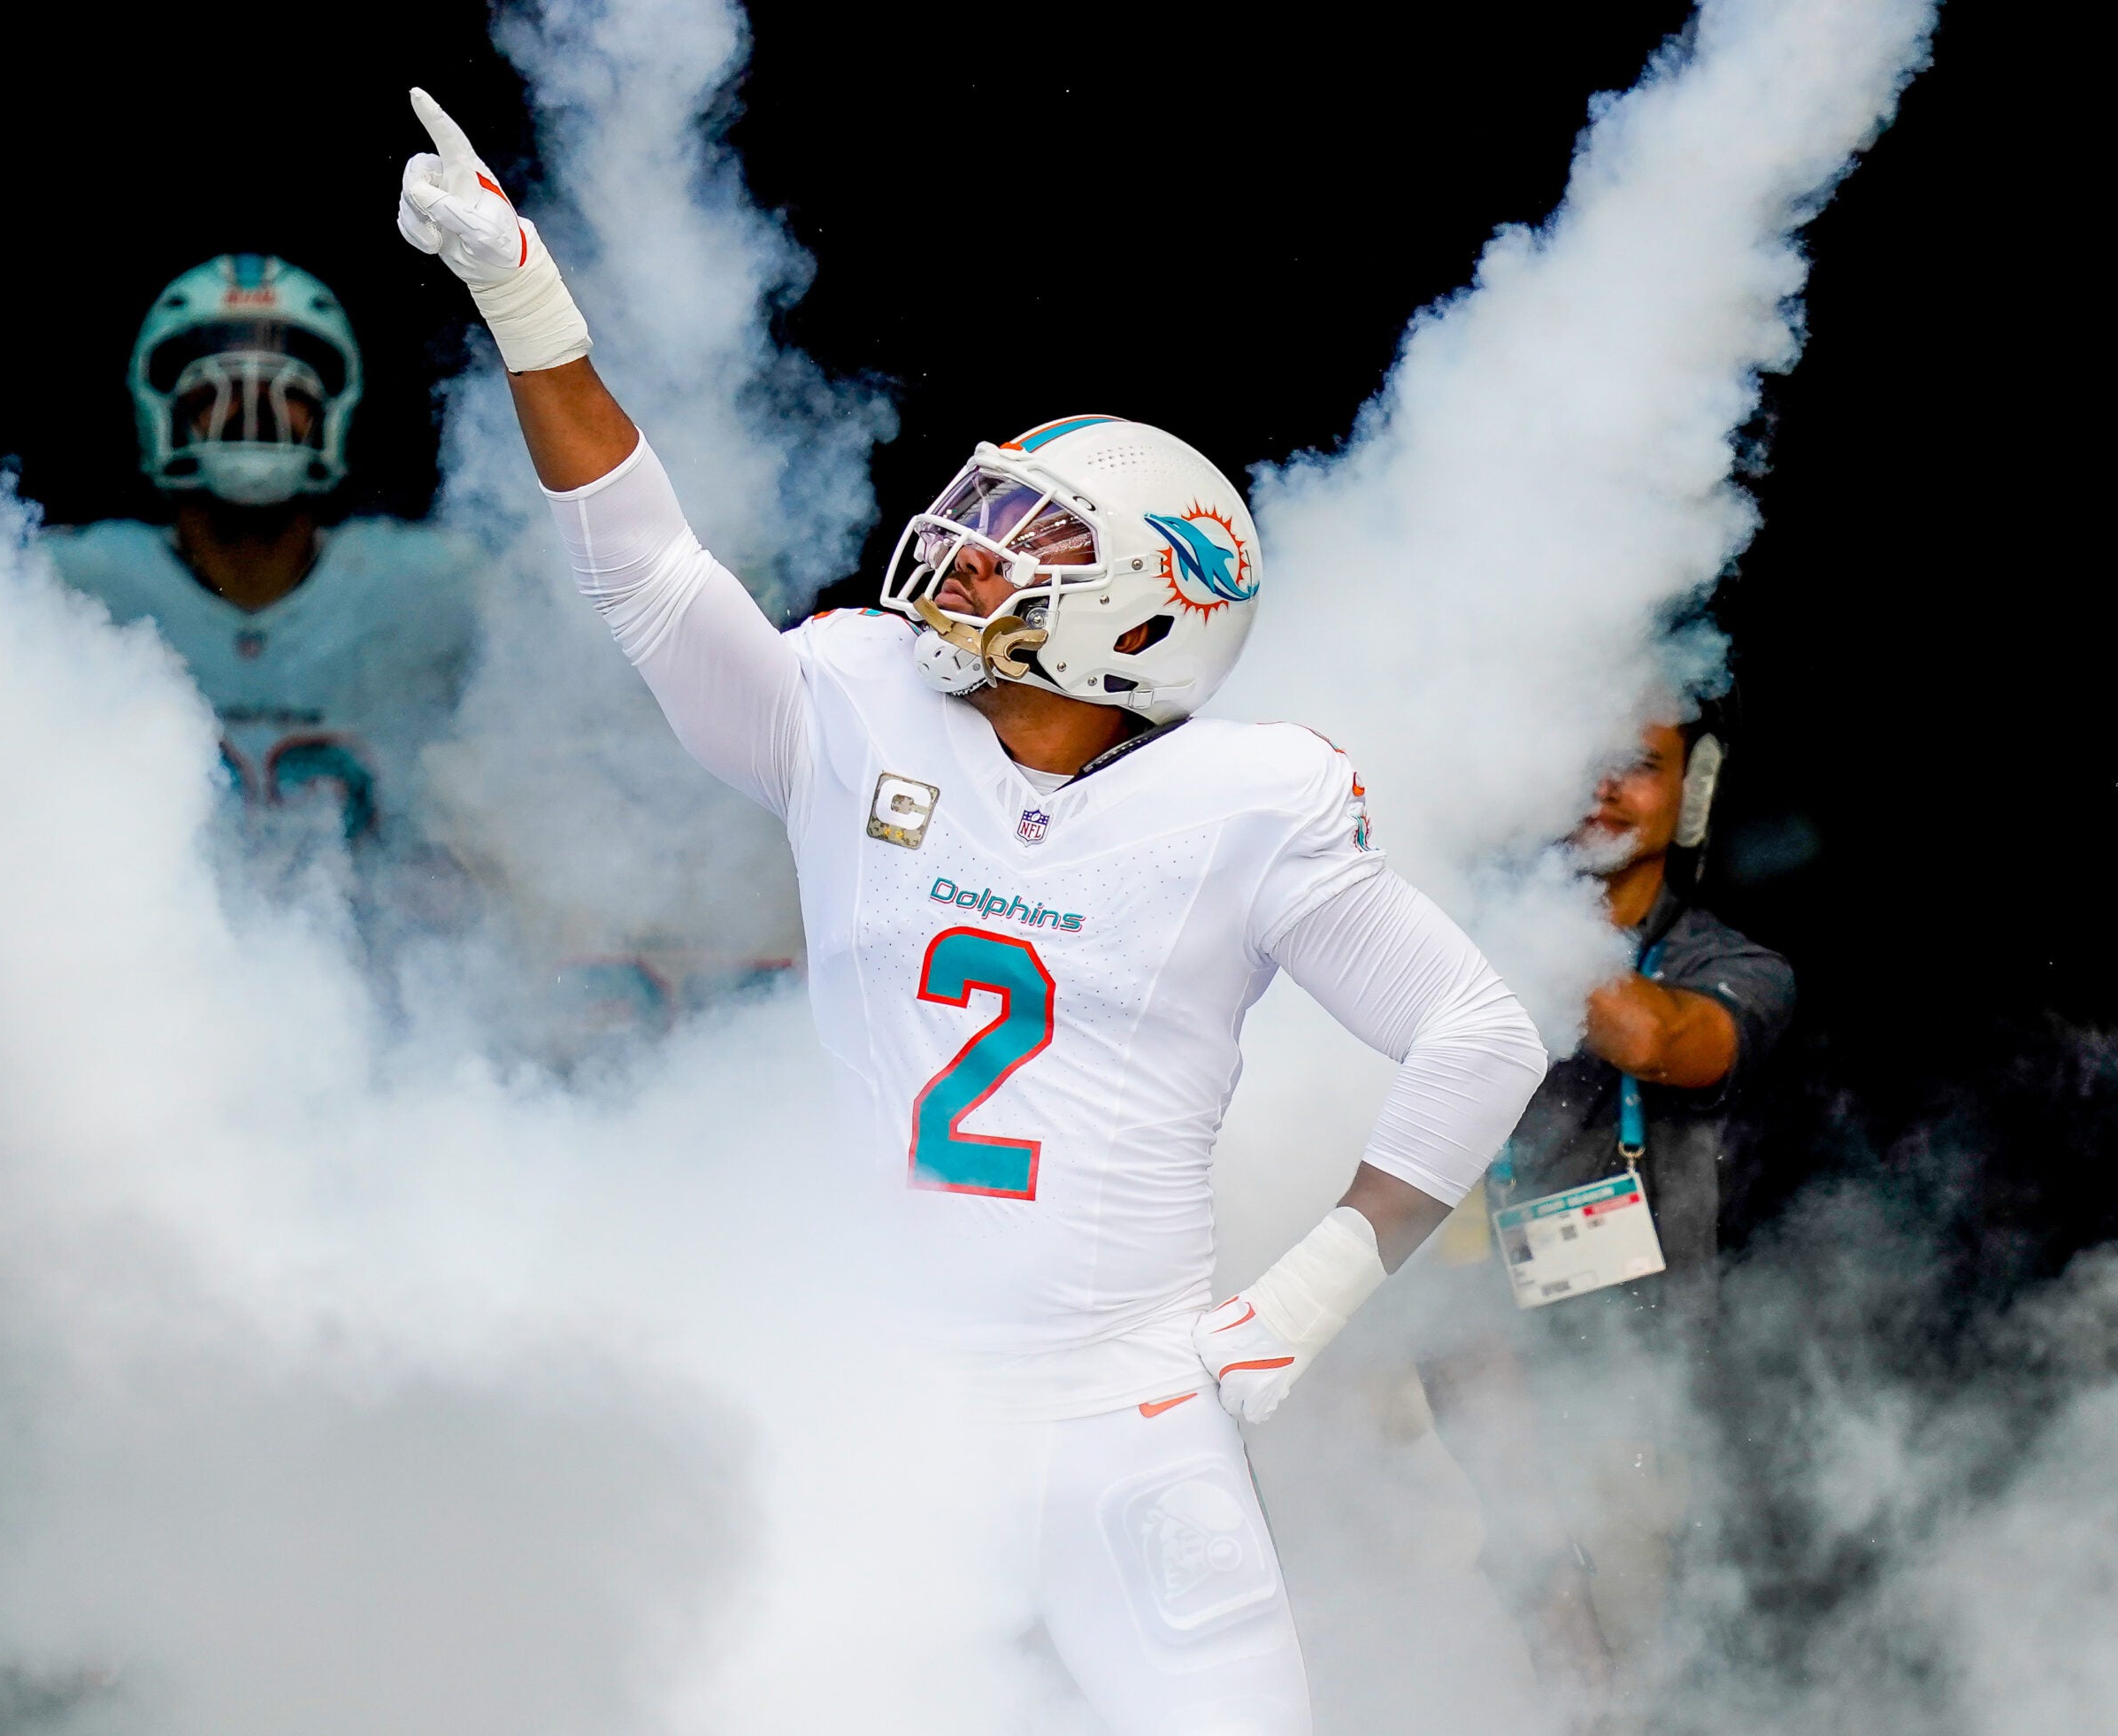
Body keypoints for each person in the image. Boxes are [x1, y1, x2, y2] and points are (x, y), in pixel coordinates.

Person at [395, 89, 1548, 1735]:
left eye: (1032, 540)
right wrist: (530, 310)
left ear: (1142, 619)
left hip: (1128, 1408)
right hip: (886, 1400)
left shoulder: (1249, 801)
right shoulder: (854, 701)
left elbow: (1480, 1034)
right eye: (994, 519)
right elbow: (645, 573)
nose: (972, 551)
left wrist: (1312, 1292)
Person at [1420, 717, 1797, 1732]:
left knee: (1620, 1672)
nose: (1603, 788)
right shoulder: (1450, 927)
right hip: (1446, 1380)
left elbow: (1653, 1037)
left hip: (1626, 1399)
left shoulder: (1735, 963)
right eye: (1581, 757)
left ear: (1694, 791)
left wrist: (1525, 918)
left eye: (1639, 765)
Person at [50, 254, 477, 858]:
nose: (253, 408)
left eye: (287, 389)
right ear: (164, 411)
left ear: (331, 411)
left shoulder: (434, 587)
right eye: (216, 389)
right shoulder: (73, 585)